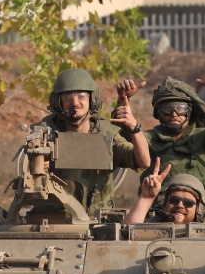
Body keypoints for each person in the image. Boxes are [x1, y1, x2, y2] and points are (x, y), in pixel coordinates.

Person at [39, 67, 151, 212]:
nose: (75, 102)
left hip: (99, 220)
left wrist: (134, 128)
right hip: (54, 220)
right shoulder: (45, 133)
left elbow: (143, 162)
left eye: (82, 96)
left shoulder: (106, 134)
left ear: (93, 99)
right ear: (57, 101)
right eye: (67, 97)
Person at [139, 76, 205, 199]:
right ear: (159, 113)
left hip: (203, 213)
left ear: (189, 112)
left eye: (180, 108)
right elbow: (123, 141)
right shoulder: (148, 139)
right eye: (167, 109)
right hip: (160, 214)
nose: (174, 114)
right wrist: (122, 102)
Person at [124, 163, 205, 224]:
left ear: (199, 209)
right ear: (163, 203)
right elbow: (127, 232)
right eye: (174, 200)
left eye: (188, 203)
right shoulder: (151, 226)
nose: (180, 205)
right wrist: (146, 197)